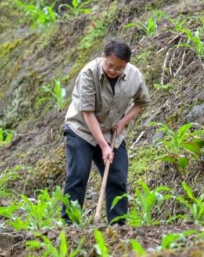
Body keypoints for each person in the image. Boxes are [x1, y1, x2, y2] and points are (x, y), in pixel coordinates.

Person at [61, 39, 150, 225]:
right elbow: (87, 112)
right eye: (110, 65)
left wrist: (123, 122)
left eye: (119, 68)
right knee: (78, 175)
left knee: (117, 177)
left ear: (126, 64)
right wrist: (103, 146)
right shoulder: (88, 73)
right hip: (82, 130)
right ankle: (69, 224)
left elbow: (142, 101)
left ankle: (118, 226)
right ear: (104, 56)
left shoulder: (134, 75)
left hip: (112, 133)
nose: (113, 71)